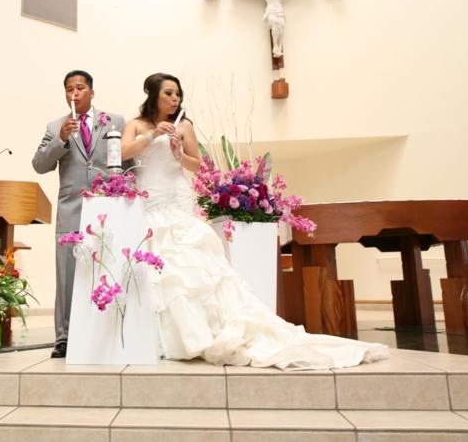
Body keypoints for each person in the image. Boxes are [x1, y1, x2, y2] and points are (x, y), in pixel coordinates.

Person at [122, 73, 388, 370]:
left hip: (176, 196)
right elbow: (122, 152)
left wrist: (179, 153)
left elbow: (198, 166)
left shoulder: (184, 126)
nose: (175, 99)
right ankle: (158, 336)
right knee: (155, 262)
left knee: (189, 262)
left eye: (178, 94)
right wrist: (152, 136)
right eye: (169, 93)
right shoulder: (136, 124)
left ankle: (201, 331)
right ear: (153, 94)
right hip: (148, 198)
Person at [32, 70, 126, 358]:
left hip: (108, 206)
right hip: (71, 208)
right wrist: (61, 139)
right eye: (69, 89)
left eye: (80, 87)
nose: (74, 93)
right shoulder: (55, 126)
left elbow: (128, 161)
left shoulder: (115, 121)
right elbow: (39, 165)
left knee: (110, 267)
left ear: (92, 92)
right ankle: (64, 337)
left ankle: (110, 332)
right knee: (67, 274)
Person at [232, 0, 315, 71]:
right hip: (271, 10)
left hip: (279, 10)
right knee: (275, 24)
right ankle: (275, 46)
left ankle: (279, 47)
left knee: (282, 26)